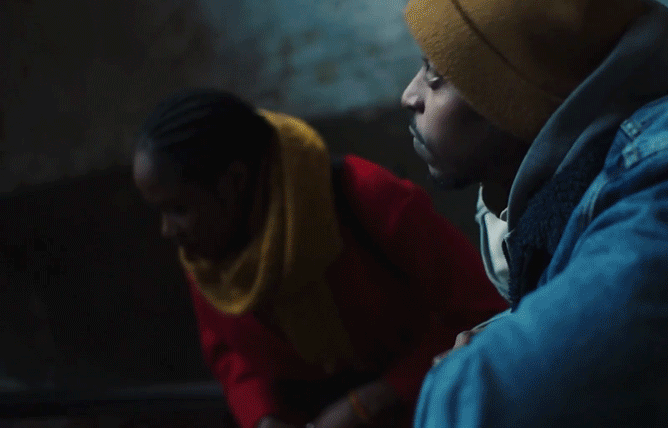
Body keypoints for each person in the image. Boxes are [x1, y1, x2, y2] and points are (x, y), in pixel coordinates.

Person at [399, 0, 668, 426]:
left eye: (435, 72)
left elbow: (486, 404)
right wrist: (499, 337)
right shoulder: (561, 175)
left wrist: (464, 373)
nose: (409, 96)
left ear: (516, 91)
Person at [131, 89, 508, 428]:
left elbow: (480, 313)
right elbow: (231, 354)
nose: (167, 229)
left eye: (178, 209)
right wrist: (264, 416)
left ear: (235, 181)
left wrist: (372, 400)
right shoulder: (207, 256)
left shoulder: (364, 198)